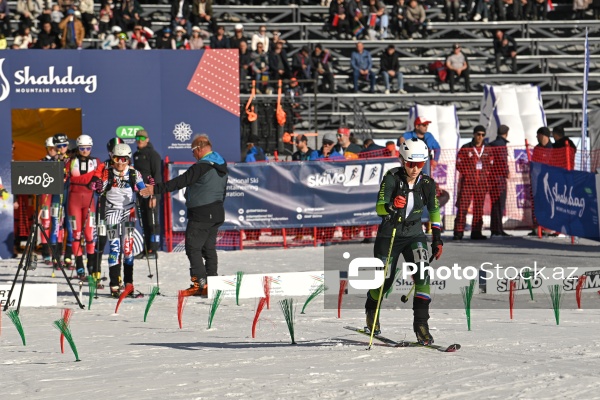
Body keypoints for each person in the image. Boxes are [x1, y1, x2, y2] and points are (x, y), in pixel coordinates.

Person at [365, 138, 442, 345]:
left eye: (420, 164)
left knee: (423, 275)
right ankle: (372, 308)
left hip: (414, 235)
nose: (415, 168)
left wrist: (437, 238)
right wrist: (391, 206)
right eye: (410, 163)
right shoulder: (391, 178)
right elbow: (379, 206)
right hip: (389, 235)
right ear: (402, 160)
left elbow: (434, 210)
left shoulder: (427, 184)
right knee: (385, 281)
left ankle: (421, 326)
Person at [140, 134, 228, 297]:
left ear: (199, 149)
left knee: (193, 248)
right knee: (208, 248)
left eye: (193, 151)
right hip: (216, 212)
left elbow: (180, 181)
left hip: (202, 213)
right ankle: (212, 283)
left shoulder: (201, 166)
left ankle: (199, 285)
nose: (193, 155)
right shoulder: (221, 164)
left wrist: (155, 189)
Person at [89, 143, 148, 298]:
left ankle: (128, 284)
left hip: (129, 212)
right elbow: (99, 190)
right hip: (112, 212)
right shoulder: (108, 173)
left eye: (124, 159)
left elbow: (144, 191)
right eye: (117, 158)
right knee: (115, 248)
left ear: (128, 159)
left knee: (128, 249)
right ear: (112, 158)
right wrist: (98, 187)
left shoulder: (134, 173)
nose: (120, 163)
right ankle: (114, 285)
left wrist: (147, 190)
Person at [66, 134, 103, 279]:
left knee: (89, 235)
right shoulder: (71, 161)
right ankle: (80, 267)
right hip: (74, 201)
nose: (85, 151)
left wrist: (86, 180)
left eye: (88, 148)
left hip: (89, 201)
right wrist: (87, 179)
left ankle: (92, 267)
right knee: (76, 235)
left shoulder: (96, 162)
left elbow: (99, 178)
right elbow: (63, 177)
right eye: (82, 148)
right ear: (78, 147)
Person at [453, 125, 493, 240]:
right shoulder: (466, 147)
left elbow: (491, 165)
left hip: (481, 183)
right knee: (463, 207)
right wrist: (468, 173)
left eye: (482, 135)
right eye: (478, 134)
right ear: (474, 134)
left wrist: (485, 176)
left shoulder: (488, 149)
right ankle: (458, 232)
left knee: (479, 208)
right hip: (468, 183)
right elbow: (458, 164)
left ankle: (476, 232)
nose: (480, 137)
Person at [133, 130, 162, 260]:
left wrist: (154, 195)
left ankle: (153, 249)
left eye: (142, 138)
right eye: (137, 137)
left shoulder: (153, 155)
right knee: (144, 223)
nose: (140, 140)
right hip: (140, 194)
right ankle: (145, 248)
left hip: (151, 194)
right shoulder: (136, 155)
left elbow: (157, 176)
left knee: (152, 222)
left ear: (147, 139)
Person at [488, 124, 511, 237]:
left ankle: (495, 229)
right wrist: (506, 172)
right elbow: (502, 161)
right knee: (499, 204)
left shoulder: (491, 144)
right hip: (500, 179)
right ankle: (498, 230)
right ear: (506, 133)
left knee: (494, 204)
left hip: (491, 178)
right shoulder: (502, 145)